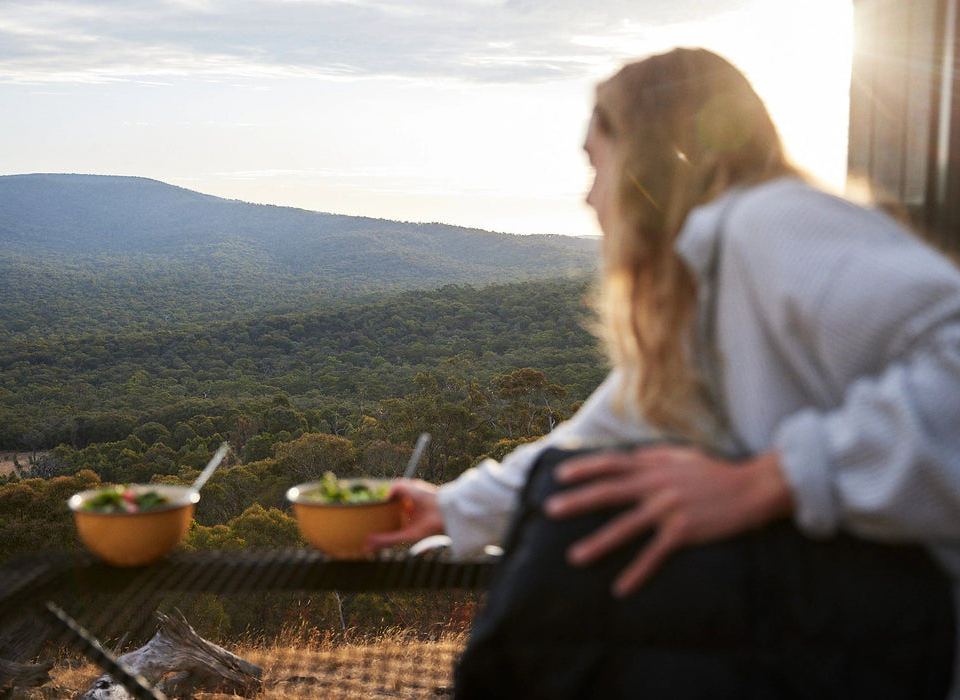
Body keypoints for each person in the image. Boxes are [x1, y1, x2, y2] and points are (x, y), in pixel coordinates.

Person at [367, 47, 960, 696]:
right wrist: (452, 506)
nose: (589, 196)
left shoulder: (769, 222)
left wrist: (776, 477)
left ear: (652, 158)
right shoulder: (701, 288)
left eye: (597, 163)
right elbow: (597, 442)